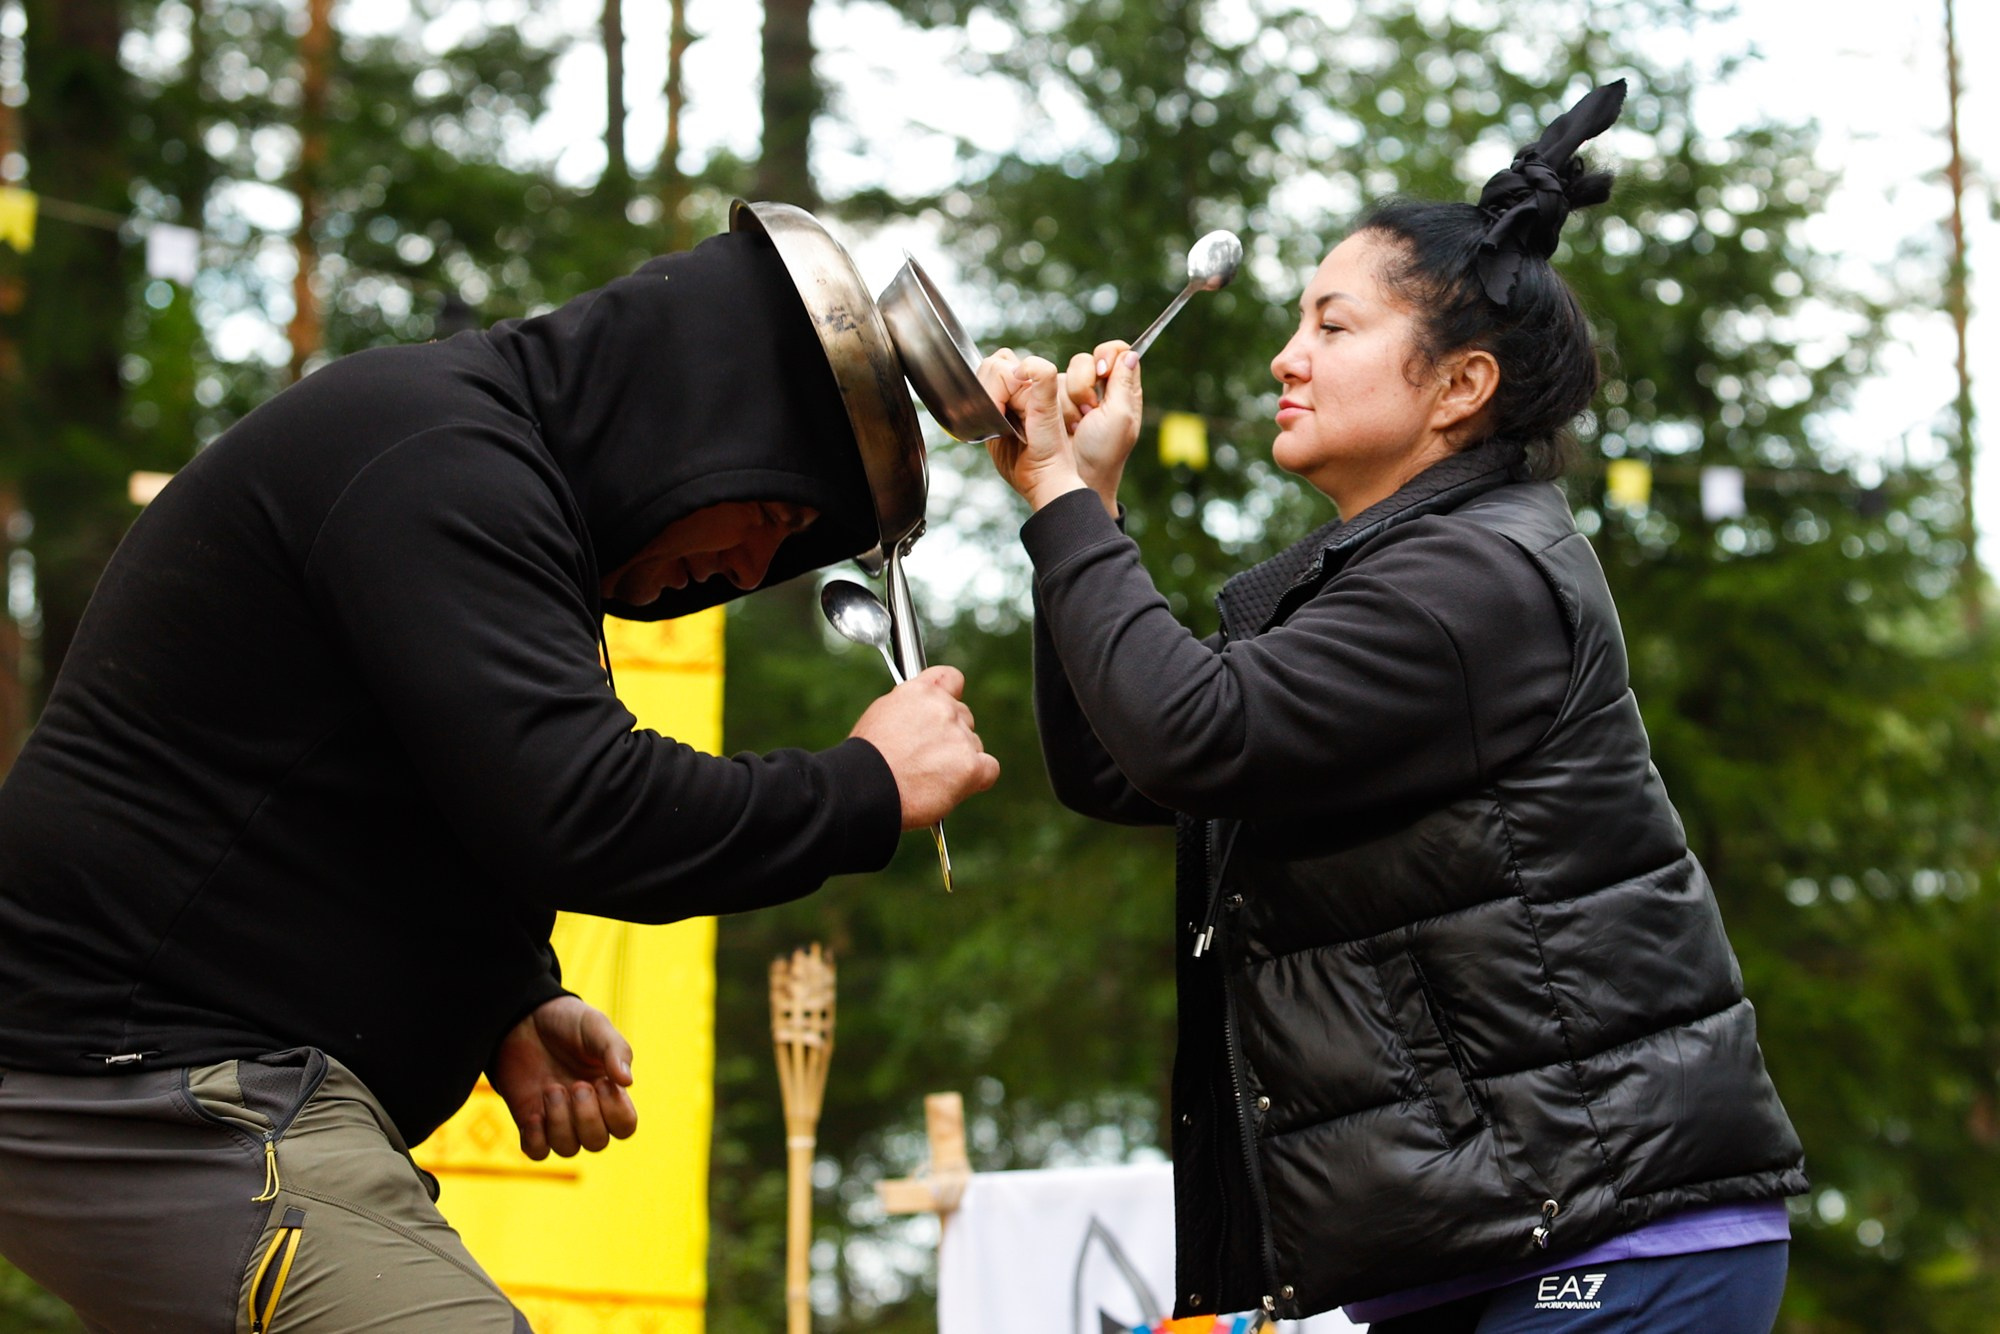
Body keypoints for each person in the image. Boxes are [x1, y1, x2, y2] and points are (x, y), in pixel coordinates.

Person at [0, 226, 998, 1331]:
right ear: (699, 415)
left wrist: (504, 989)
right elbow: (585, 810)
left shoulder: (480, 473)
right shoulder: (439, 458)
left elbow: (389, 787)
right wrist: (864, 782)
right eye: (769, 510)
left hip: (180, 1077)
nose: (747, 569)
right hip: (141, 1078)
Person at [980, 81, 1806, 1332]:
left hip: (1613, 1239)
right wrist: (1080, 504)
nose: (1284, 357)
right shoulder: (1394, 578)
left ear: (1459, 383)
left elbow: (1187, 726)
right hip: (1490, 1241)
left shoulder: (1475, 581)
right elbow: (1122, 763)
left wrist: (1056, 498)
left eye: (1332, 323)